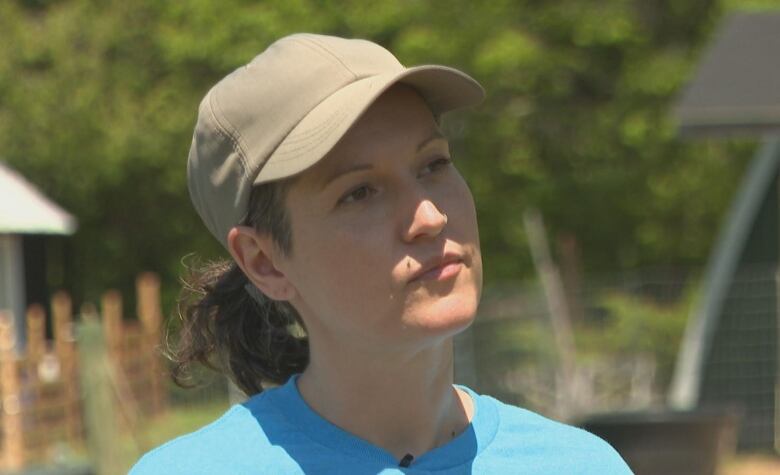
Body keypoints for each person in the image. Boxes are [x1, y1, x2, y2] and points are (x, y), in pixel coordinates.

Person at [130, 33, 632, 474]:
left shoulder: (581, 465)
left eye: (434, 163)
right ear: (264, 261)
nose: (430, 216)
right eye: (360, 192)